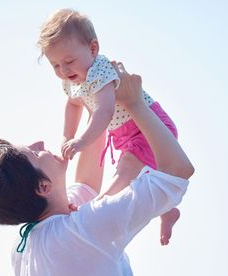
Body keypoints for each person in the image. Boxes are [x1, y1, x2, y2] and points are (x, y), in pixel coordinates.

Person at [0, 63, 194, 276]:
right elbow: (178, 172)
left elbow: (86, 184)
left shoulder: (28, 246)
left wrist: (94, 88)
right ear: (43, 187)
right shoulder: (80, 232)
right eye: (35, 153)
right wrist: (135, 104)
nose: (40, 142)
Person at [38, 8, 182, 245]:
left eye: (68, 61)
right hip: (126, 134)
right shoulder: (71, 80)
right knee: (140, 179)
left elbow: (103, 111)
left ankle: (93, 210)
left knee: (124, 175)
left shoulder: (100, 69)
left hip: (147, 127)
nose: (63, 71)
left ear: (93, 49)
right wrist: (67, 136)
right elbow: (73, 105)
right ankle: (167, 210)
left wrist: (82, 142)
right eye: (55, 66)